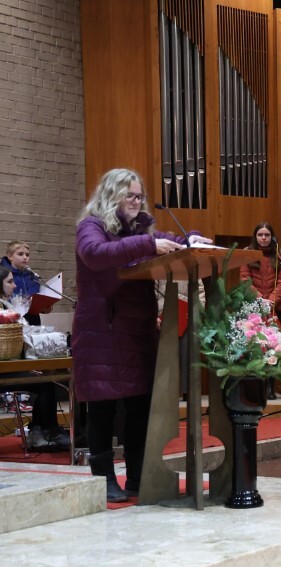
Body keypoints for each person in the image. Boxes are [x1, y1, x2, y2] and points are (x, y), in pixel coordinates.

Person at [74, 168, 211, 502]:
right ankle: (104, 479)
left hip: (137, 331)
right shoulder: (92, 225)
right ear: (111, 195)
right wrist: (148, 243)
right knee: (102, 407)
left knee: (138, 407)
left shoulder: (142, 229)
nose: (136, 202)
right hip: (103, 330)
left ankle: (137, 477)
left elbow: (170, 240)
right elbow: (94, 253)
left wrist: (190, 239)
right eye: (130, 196)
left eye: (139, 196)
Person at [0, 265, 70, 448]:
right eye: (10, 281)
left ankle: (41, 431)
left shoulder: (6, 306)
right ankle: (44, 432)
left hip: (9, 367)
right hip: (3, 371)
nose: (15, 285)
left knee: (45, 378)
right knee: (45, 382)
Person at [240, 221, 281, 399]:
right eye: (260, 235)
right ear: (255, 237)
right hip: (255, 307)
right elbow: (245, 280)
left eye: (267, 235)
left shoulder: (279, 256)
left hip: (273, 307)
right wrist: (260, 299)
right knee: (255, 346)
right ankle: (256, 385)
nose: (263, 238)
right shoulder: (248, 255)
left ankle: (270, 386)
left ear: (272, 237)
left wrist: (271, 301)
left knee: (273, 346)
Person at [1, 240, 43, 325]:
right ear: (10, 256)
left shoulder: (32, 275)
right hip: (9, 317)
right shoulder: (3, 273)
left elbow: (37, 296)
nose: (25, 257)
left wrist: (44, 307)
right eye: (20, 254)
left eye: (27, 255)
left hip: (32, 318)